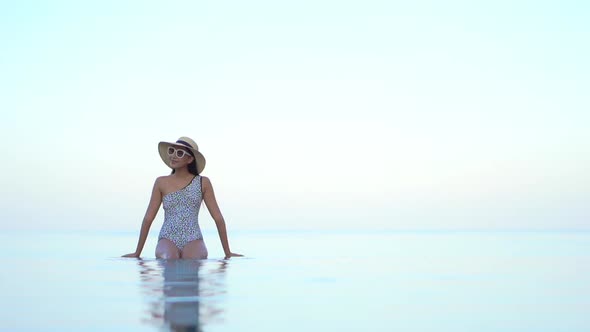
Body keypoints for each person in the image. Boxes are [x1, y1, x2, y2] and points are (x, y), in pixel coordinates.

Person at [122, 136, 242, 260]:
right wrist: (137, 253)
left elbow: (218, 218)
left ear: (190, 159)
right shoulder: (161, 182)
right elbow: (148, 218)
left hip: (193, 237)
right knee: (168, 258)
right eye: (171, 151)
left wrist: (227, 252)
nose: (173, 155)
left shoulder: (203, 182)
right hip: (167, 237)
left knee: (192, 260)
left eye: (179, 153)